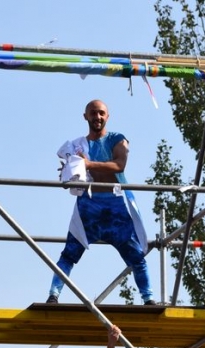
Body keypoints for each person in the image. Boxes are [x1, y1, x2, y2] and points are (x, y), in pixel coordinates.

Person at [47, 99, 156, 305]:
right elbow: (72, 176)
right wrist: (71, 171)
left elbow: (119, 165)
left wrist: (87, 164)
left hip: (115, 204)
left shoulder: (117, 139)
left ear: (107, 116)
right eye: (93, 113)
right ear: (85, 116)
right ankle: (53, 295)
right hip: (89, 205)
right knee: (70, 253)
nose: (97, 117)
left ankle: (148, 298)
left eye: (101, 113)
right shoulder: (77, 146)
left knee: (136, 255)